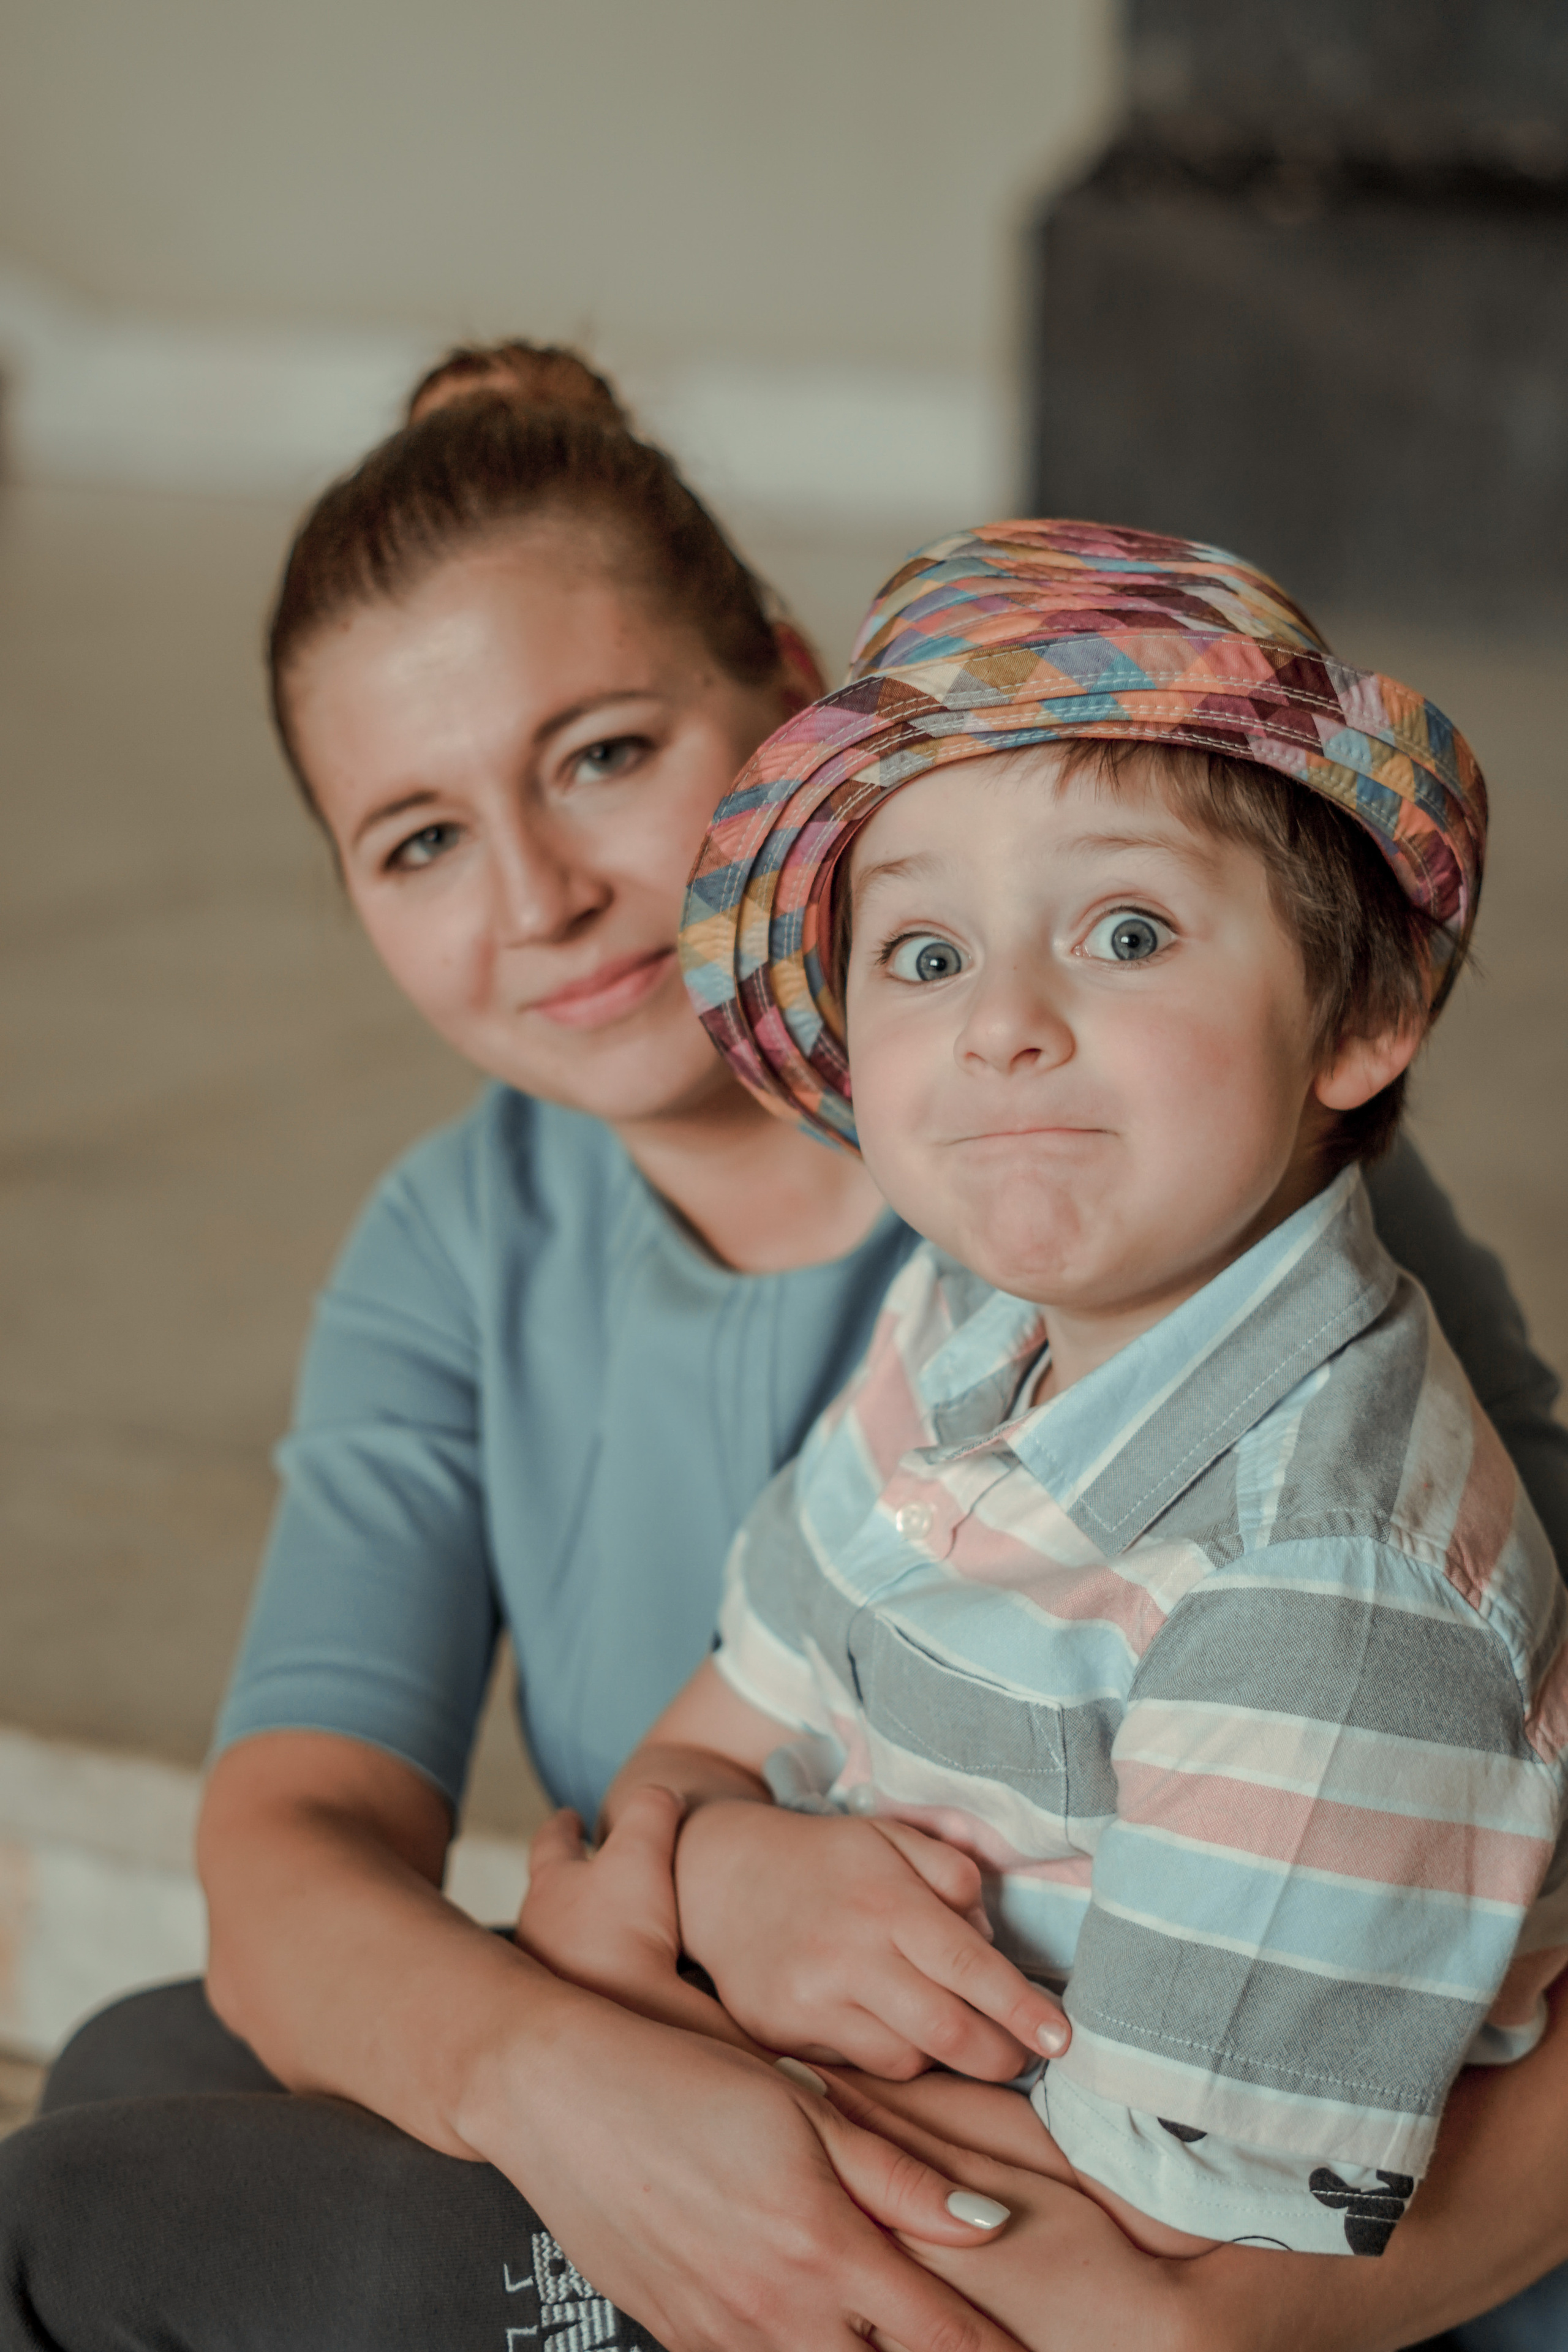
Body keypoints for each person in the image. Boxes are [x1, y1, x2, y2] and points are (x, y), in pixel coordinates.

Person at [1, 350, 1567, 2352]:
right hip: (790, 2055)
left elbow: (1446, 1855)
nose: (546, 900)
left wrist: (1180, 2318)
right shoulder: (810, 1274)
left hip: (1067, 2216)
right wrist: (666, 1918)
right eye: (417, 842)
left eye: (602, 754)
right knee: (152, 2053)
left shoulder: (1161, 1191)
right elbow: (296, 1847)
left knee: (76, 2223)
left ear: (781, 697)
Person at [543, 521, 1567, 2291]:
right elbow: (708, 1733)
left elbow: (1166, 2253)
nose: (1004, 1019)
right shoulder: (960, 1320)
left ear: (1365, 1011)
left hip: (926, 2276)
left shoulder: (1328, 1587)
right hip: (778, 2111)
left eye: (1125, 927)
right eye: (926, 956)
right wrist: (707, 1879)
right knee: (145, 2095)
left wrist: (631, 2018)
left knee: (115, 2230)